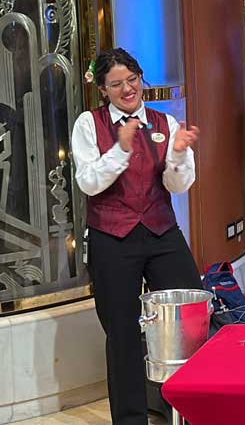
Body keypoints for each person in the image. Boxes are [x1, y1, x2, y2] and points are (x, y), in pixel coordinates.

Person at [71, 48, 202, 424]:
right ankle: (130, 418)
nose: (127, 89)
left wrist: (176, 155)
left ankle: (187, 409)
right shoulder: (88, 124)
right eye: (116, 84)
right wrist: (121, 149)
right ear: (103, 89)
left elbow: (178, 184)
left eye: (132, 80)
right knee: (123, 333)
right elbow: (89, 182)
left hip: (161, 232)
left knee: (188, 321)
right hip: (112, 238)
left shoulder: (166, 123)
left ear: (141, 78)